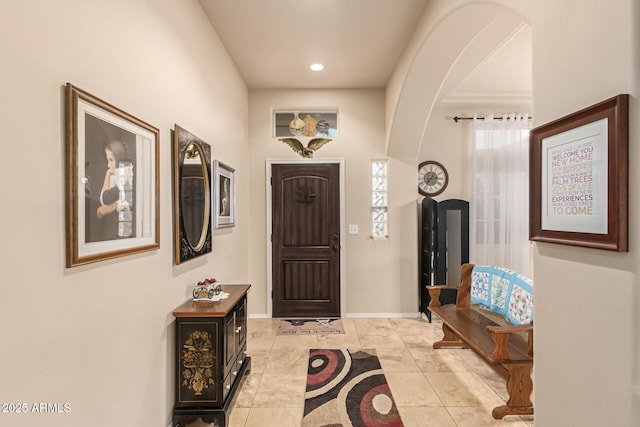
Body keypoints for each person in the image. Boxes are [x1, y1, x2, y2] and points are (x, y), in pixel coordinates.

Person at [96, 140, 133, 238]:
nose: (108, 165)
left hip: (122, 231)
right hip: (110, 230)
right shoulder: (117, 177)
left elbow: (106, 199)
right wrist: (101, 211)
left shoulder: (124, 178)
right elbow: (101, 209)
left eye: (111, 160)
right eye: (107, 160)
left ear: (119, 158)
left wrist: (108, 174)